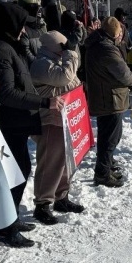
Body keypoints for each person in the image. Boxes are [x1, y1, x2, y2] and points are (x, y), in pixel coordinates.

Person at [0, 2, 63, 248]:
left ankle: (11, 221)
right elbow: (8, 92)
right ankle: (5, 229)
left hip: (18, 122)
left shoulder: (11, 45)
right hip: (10, 121)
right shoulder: (1, 49)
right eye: (22, 26)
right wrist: (45, 101)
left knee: (20, 171)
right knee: (14, 174)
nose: (25, 31)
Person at [30, 31, 85, 225]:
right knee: (50, 162)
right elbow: (64, 78)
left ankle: (61, 197)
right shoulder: (41, 63)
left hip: (66, 118)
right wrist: (71, 54)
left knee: (64, 161)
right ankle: (43, 203)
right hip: (50, 120)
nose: (67, 50)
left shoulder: (59, 62)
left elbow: (73, 78)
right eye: (63, 47)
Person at [85, 17, 132, 187]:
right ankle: (102, 173)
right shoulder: (106, 49)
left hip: (106, 97)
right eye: (119, 35)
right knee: (110, 139)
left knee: (108, 137)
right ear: (114, 35)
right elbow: (122, 73)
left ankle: (106, 167)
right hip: (109, 99)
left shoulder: (99, 44)